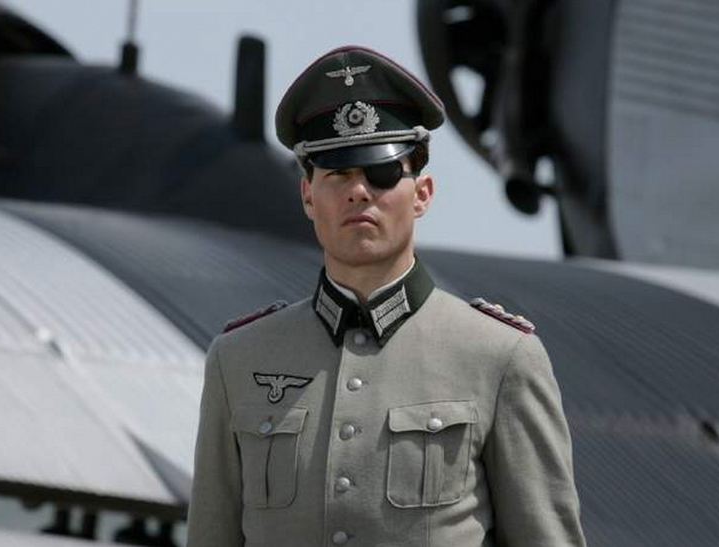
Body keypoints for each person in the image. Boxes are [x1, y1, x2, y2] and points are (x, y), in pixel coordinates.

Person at [187, 45, 586, 547]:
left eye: (381, 173)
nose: (360, 192)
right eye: (338, 173)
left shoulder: (500, 359)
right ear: (308, 195)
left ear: (422, 193)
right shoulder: (239, 360)